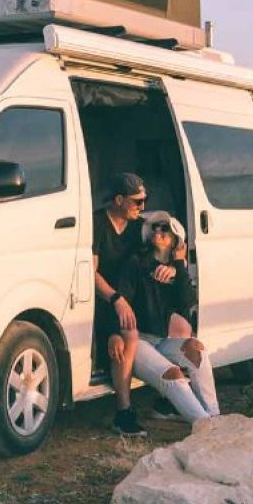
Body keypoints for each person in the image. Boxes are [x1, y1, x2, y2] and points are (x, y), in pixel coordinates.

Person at [115, 211, 219, 422]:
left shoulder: (174, 270)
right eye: (155, 227)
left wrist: (178, 267)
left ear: (175, 241)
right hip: (138, 342)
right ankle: (205, 425)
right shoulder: (136, 263)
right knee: (173, 375)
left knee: (197, 350)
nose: (158, 231)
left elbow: (187, 302)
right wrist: (114, 334)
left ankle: (214, 415)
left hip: (162, 342)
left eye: (165, 229)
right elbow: (120, 302)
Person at [93, 172, 148, 436]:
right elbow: (90, 272)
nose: (142, 207)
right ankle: (123, 412)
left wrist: (175, 267)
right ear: (118, 200)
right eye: (137, 202)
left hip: (126, 299)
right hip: (102, 300)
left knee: (129, 332)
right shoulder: (97, 224)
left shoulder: (139, 227)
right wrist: (115, 300)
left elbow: (171, 243)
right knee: (129, 334)